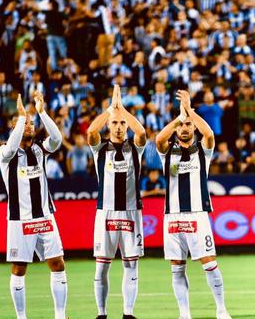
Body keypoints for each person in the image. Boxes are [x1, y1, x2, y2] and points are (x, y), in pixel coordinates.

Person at [156, 90, 232, 319]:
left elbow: (208, 132)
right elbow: (159, 139)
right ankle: (184, 313)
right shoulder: (167, 152)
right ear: (176, 129)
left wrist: (188, 111)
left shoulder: (203, 151)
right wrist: (179, 117)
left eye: (188, 125)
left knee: (209, 263)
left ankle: (221, 309)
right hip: (172, 216)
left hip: (197, 215)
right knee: (177, 267)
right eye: (181, 126)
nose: (185, 128)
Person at [0, 92, 67, 319]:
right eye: (24, 123)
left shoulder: (38, 150)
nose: (29, 126)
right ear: (14, 128)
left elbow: (57, 139)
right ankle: (21, 317)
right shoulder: (4, 152)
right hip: (20, 220)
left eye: (30, 123)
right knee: (19, 268)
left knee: (58, 264)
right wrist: (20, 117)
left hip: (45, 217)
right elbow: (10, 149)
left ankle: (60, 315)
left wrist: (41, 112)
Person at [87, 85, 146, 319]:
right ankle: (101, 314)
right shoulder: (100, 148)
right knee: (102, 265)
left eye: (122, 124)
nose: (119, 127)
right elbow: (91, 132)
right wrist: (110, 110)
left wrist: (122, 111)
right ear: (108, 125)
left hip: (132, 212)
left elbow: (141, 133)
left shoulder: (135, 148)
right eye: (115, 123)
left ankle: (128, 313)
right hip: (106, 212)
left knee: (131, 264)